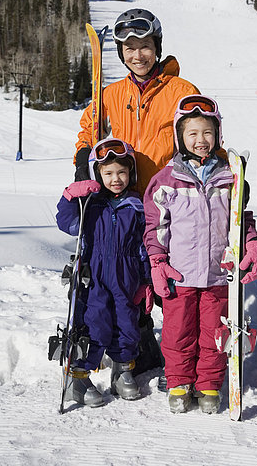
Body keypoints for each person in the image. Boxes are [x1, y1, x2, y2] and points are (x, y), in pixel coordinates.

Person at [143, 95, 257, 414]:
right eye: (193, 133)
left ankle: (209, 384)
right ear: (179, 136)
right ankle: (179, 383)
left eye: (207, 132)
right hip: (179, 275)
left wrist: (251, 242)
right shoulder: (166, 180)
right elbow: (155, 227)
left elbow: (240, 219)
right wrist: (157, 262)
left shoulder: (230, 177)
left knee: (215, 333)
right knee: (177, 333)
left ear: (218, 134)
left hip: (217, 275)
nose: (201, 140)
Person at [56, 138, 153, 408]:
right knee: (92, 323)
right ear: (97, 174)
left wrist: (146, 281)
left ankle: (122, 371)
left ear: (130, 172)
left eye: (122, 172)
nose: (116, 179)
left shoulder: (137, 206)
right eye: (108, 173)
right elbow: (66, 223)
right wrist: (70, 196)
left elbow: (145, 245)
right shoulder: (90, 204)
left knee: (127, 323)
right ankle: (78, 378)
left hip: (127, 274)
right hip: (92, 274)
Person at [74, 8, 200, 196]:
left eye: (145, 46)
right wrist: (83, 160)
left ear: (157, 48)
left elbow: (205, 138)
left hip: (168, 199)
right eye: (130, 48)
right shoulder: (111, 95)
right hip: (124, 199)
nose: (138, 56)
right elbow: (89, 130)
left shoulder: (182, 92)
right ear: (121, 53)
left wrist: (222, 175)